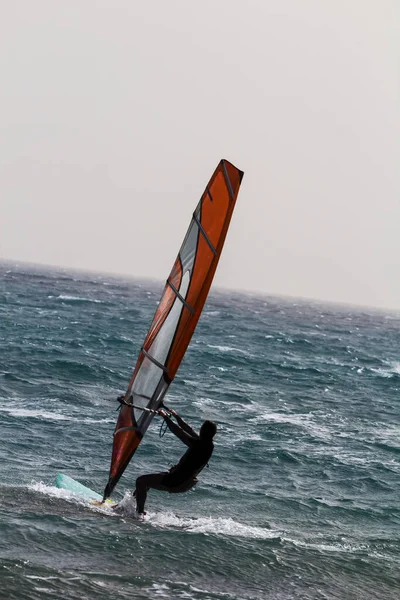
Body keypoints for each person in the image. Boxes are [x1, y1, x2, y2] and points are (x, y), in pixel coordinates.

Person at [134, 408, 217, 515]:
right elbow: (187, 429)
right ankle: (129, 506)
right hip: (182, 480)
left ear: (203, 432)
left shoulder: (199, 445)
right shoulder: (208, 444)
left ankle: (139, 514)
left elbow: (178, 432)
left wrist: (165, 417)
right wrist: (175, 415)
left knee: (141, 481)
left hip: (176, 481)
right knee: (147, 482)